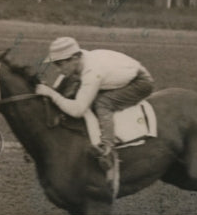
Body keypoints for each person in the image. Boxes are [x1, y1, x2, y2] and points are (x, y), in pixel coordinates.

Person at [35, 37, 154, 171]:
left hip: (140, 83)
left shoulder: (92, 72)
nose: (58, 69)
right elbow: (62, 84)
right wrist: (53, 91)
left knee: (102, 103)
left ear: (74, 58)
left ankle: (108, 150)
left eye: (59, 64)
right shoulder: (79, 61)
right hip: (122, 75)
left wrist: (52, 94)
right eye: (56, 64)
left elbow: (78, 110)